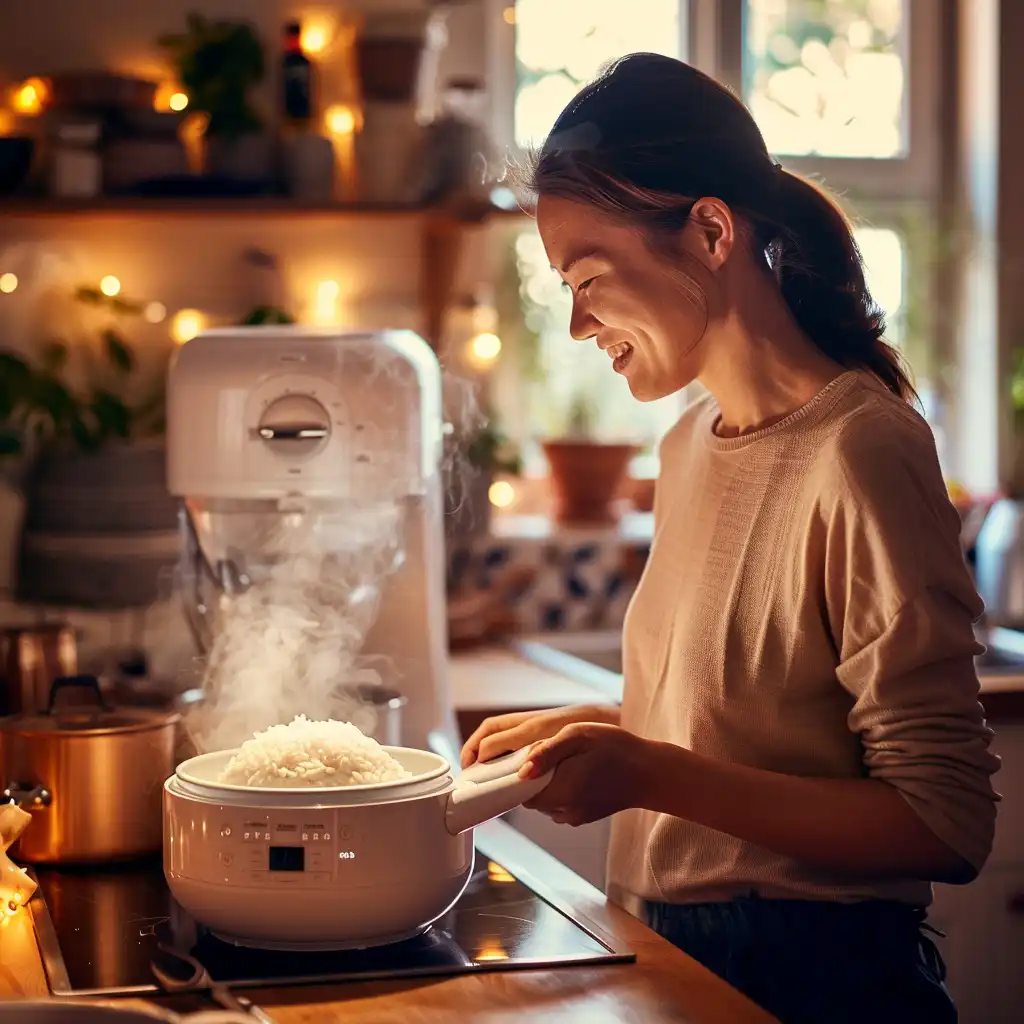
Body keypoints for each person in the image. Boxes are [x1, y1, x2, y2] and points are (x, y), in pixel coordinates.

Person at [461, 54, 1000, 1024]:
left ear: (710, 230)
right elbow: (757, 731)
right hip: (671, 953)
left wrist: (650, 771)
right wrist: (606, 735)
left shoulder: (860, 447)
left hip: (819, 980)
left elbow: (942, 822)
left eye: (589, 277)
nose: (579, 322)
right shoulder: (686, 445)